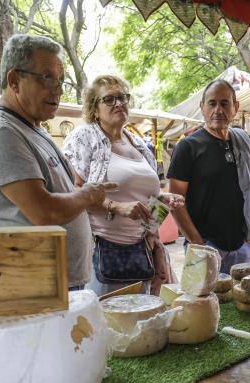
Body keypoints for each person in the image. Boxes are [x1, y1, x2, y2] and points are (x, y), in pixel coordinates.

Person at [0, 34, 115, 291]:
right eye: (46, 78)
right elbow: (45, 212)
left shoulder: (32, 129)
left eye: (60, 81)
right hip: (35, 287)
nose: (57, 89)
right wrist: (88, 195)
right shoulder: (0, 132)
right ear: (14, 80)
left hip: (57, 284)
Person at [62, 74, 183, 296]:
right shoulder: (83, 137)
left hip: (141, 254)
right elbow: (71, 192)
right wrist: (116, 206)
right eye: (109, 99)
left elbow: (151, 200)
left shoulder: (139, 144)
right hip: (104, 254)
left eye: (122, 97)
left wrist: (160, 211)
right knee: (109, 324)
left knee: (141, 322)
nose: (118, 103)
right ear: (94, 109)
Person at [167, 79, 250, 274]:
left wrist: (249, 235)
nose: (218, 110)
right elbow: (175, 202)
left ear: (235, 107)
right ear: (202, 108)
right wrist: (198, 243)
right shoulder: (189, 147)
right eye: (212, 103)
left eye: (224, 103)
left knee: (241, 302)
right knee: (205, 304)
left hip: (242, 245)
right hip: (206, 247)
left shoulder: (242, 141)